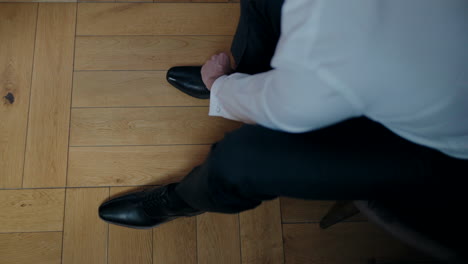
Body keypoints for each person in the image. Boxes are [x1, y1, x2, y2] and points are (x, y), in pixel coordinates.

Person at [98, 0, 468, 229]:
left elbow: (287, 111)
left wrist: (222, 89)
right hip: (415, 79)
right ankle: (238, 80)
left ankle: (179, 202)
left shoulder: (338, 54)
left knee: (243, 160)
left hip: (445, 156)